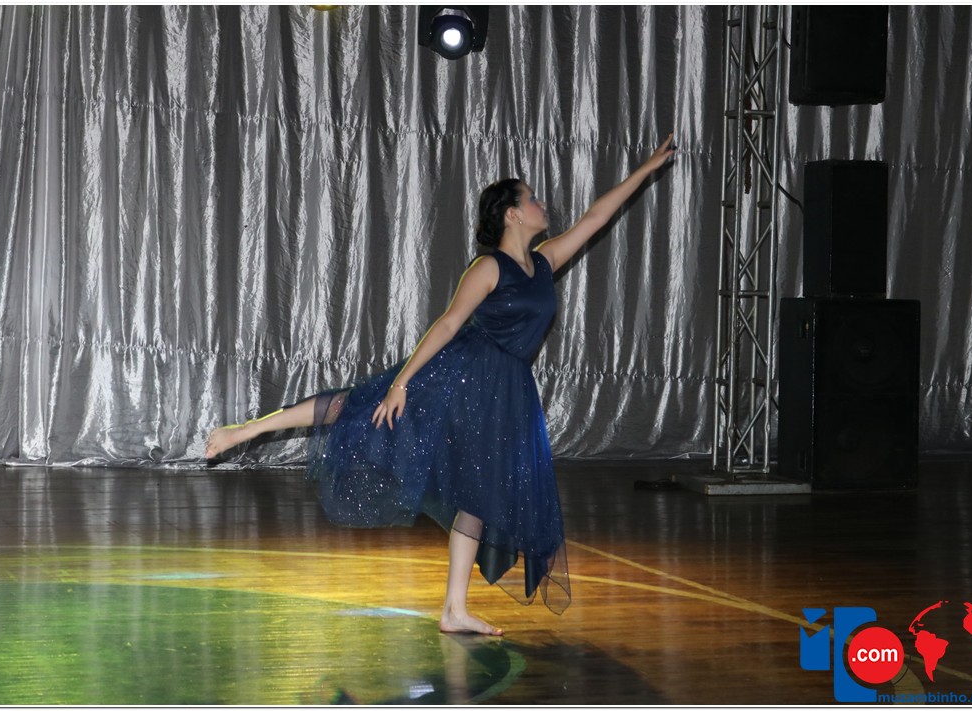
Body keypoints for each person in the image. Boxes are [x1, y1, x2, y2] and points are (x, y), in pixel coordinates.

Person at [205, 133, 675, 635]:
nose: (543, 204)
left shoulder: (544, 262)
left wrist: (646, 169)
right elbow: (449, 323)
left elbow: (597, 217)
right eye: (532, 198)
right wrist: (401, 383)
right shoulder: (489, 267)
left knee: (478, 491)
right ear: (512, 214)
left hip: (507, 392)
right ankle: (245, 431)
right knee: (357, 405)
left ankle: (454, 610)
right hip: (463, 375)